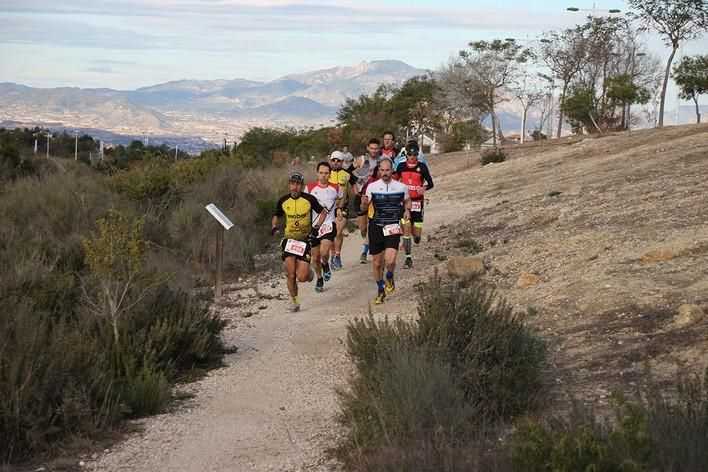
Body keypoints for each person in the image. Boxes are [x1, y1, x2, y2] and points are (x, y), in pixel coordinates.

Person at [272, 171, 328, 312]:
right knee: (291, 274)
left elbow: (323, 212)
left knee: (302, 277)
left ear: (302, 185)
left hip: (304, 240)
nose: (294, 187)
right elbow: (276, 215)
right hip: (289, 241)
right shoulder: (283, 200)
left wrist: (316, 227)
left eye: (297, 184)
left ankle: (309, 273)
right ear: (289, 185)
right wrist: (274, 226)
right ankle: (295, 301)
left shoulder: (309, 199)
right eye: (292, 184)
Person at [361, 158, 411, 305]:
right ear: (378, 171)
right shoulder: (372, 187)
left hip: (392, 226)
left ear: (392, 170)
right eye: (382, 170)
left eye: (387, 170)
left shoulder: (401, 187)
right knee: (377, 263)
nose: (385, 173)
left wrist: (407, 210)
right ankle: (380, 289)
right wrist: (364, 204)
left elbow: (407, 201)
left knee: (390, 260)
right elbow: (364, 209)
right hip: (376, 227)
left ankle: (389, 275)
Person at [305, 161, 344, 292]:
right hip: (314, 226)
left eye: (326, 173)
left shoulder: (336, 188)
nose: (323, 176)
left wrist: (339, 207)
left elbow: (342, 197)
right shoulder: (309, 189)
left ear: (330, 174)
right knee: (315, 258)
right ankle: (319, 278)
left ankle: (326, 263)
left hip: (329, 223)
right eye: (321, 173)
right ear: (317, 174)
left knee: (324, 251)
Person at [394, 141, 434, 269]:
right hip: (405, 202)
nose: (412, 157)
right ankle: (408, 259)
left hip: (418, 202)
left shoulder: (422, 167)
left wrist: (424, 188)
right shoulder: (400, 167)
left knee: (416, 234)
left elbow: (431, 183)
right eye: (409, 154)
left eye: (414, 154)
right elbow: (394, 180)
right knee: (406, 229)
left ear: (417, 154)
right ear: (406, 154)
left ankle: (415, 238)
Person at [352, 138, 382, 264]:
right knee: (363, 228)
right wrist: (355, 191)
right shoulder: (362, 160)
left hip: (376, 196)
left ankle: (365, 251)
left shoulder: (382, 161)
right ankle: (366, 242)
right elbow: (350, 175)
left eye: (376, 148)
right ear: (368, 148)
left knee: (372, 224)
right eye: (372, 148)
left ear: (379, 149)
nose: (374, 151)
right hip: (361, 195)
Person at [328, 151, 358, 269]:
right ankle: (332, 255)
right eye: (334, 160)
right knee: (331, 233)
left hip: (343, 206)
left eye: (338, 160)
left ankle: (338, 255)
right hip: (328, 208)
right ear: (331, 161)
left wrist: (357, 195)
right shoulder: (326, 173)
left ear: (342, 162)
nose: (336, 162)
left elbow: (354, 183)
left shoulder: (347, 174)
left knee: (338, 232)